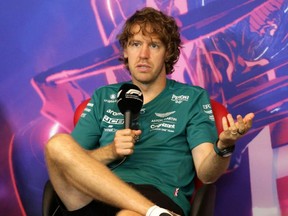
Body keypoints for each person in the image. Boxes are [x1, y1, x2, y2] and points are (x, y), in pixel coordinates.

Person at [45, 7, 254, 216]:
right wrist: (111, 152)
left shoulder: (192, 98)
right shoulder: (103, 96)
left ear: (168, 53)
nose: (143, 55)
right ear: (125, 50)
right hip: (97, 195)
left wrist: (224, 147)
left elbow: (207, 174)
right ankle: (155, 213)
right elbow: (70, 163)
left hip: (159, 194)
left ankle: (153, 211)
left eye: (154, 45)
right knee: (57, 145)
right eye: (135, 44)